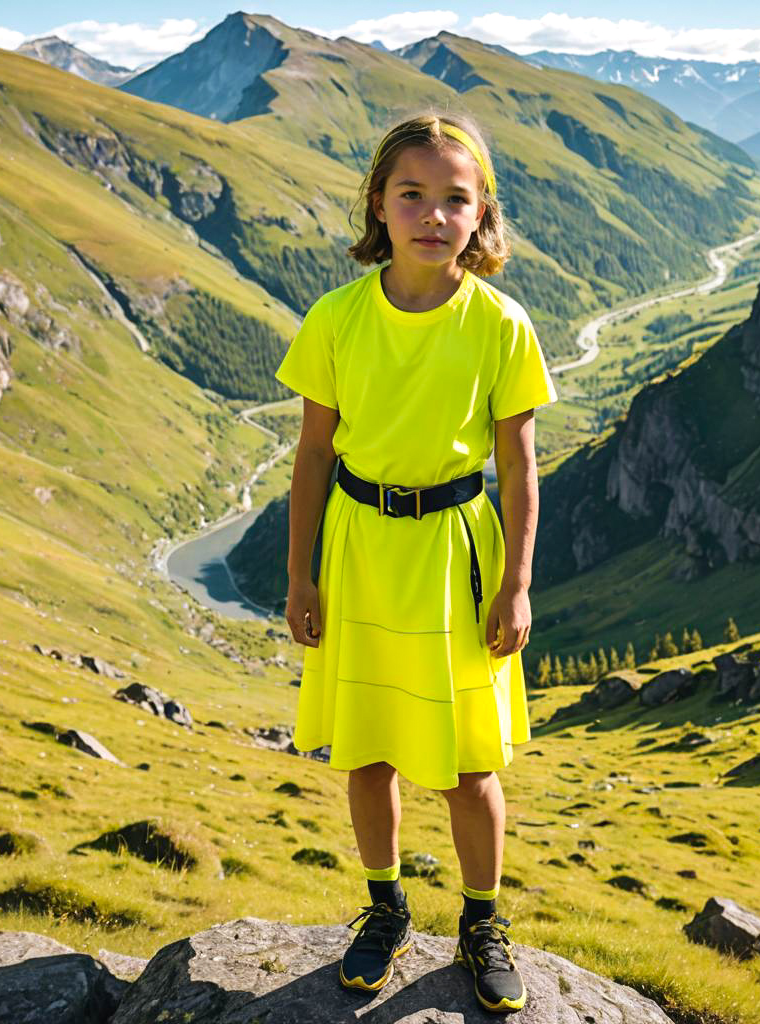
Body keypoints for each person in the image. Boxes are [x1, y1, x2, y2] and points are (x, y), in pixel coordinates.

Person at [274, 108, 558, 1014]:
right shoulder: (337, 317)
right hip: (359, 549)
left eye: (454, 199)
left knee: (471, 764)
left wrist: (515, 583)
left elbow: (517, 462)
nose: (433, 214)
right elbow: (313, 455)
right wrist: (301, 573)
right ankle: (386, 910)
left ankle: (481, 923)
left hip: (456, 556)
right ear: (380, 206)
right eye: (413, 195)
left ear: (482, 217)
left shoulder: (500, 325)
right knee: (369, 751)